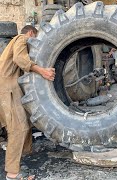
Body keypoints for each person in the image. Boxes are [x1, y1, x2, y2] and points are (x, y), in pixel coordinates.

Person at [0, 25, 55, 180]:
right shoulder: (21, 38)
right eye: (36, 38)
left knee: (24, 123)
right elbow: (20, 58)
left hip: (9, 88)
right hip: (7, 89)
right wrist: (42, 71)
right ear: (31, 33)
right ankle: (12, 174)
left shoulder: (15, 42)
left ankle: (24, 153)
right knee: (17, 128)